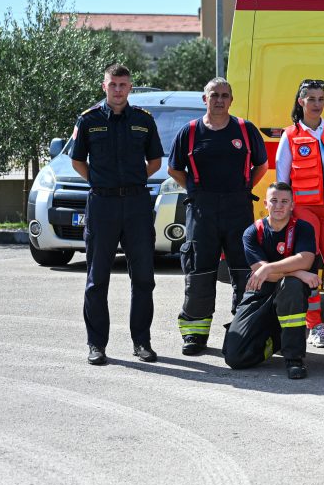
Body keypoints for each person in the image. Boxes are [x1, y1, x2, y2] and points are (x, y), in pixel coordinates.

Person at [167, 77, 268, 356]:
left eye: (225, 95)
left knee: (243, 272)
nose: (220, 100)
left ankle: (240, 332)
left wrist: (244, 187)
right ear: (205, 99)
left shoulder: (245, 130)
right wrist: (195, 188)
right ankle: (195, 336)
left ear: (231, 100)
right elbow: (174, 169)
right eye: (214, 95)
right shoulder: (188, 133)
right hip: (201, 211)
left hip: (239, 209)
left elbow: (261, 165)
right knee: (200, 272)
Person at [70, 64, 163, 366]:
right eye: (113, 85)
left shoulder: (143, 121)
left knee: (144, 278)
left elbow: (155, 161)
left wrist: (132, 181)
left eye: (123, 84)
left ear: (130, 87)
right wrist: (101, 182)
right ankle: (96, 345)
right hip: (102, 205)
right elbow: (77, 162)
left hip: (136, 204)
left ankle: (142, 342)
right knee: (97, 279)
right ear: (104, 87)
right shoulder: (88, 120)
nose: (118, 90)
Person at [275, 79, 324, 349]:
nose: (317, 104)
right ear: (301, 102)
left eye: (321, 99)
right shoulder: (290, 135)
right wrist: (285, 215)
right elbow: (282, 178)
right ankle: (315, 324)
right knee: (309, 268)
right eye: (311, 99)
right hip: (304, 210)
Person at [223, 182, 318, 379]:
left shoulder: (303, 228)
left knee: (292, 286)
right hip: (259, 293)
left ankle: (294, 358)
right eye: (274, 201)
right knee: (235, 358)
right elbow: (261, 273)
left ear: (292, 205)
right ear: (266, 203)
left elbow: (306, 259)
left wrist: (269, 267)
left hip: (288, 294)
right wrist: (298, 272)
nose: (279, 206)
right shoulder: (252, 232)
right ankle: (276, 341)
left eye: (284, 201)